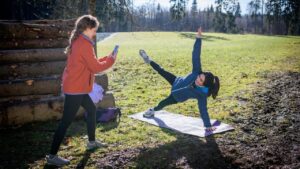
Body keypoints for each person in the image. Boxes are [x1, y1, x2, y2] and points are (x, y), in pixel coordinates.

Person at [45, 15, 118, 167]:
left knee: (91, 109)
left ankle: (91, 142)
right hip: (75, 89)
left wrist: (107, 57)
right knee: (65, 122)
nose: (95, 33)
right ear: (86, 28)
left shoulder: (79, 41)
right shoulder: (84, 44)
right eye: (94, 30)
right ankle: (52, 156)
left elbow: (92, 62)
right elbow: (96, 67)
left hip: (78, 87)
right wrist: (111, 60)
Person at [139, 27, 220, 133]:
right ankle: (148, 60)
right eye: (199, 77)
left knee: (163, 103)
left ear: (204, 85)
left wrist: (208, 125)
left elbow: (203, 110)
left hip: (177, 96)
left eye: (201, 81)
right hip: (177, 81)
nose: (198, 80)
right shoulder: (197, 71)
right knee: (162, 71)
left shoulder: (202, 94)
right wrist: (198, 38)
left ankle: (152, 110)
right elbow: (196, 55)